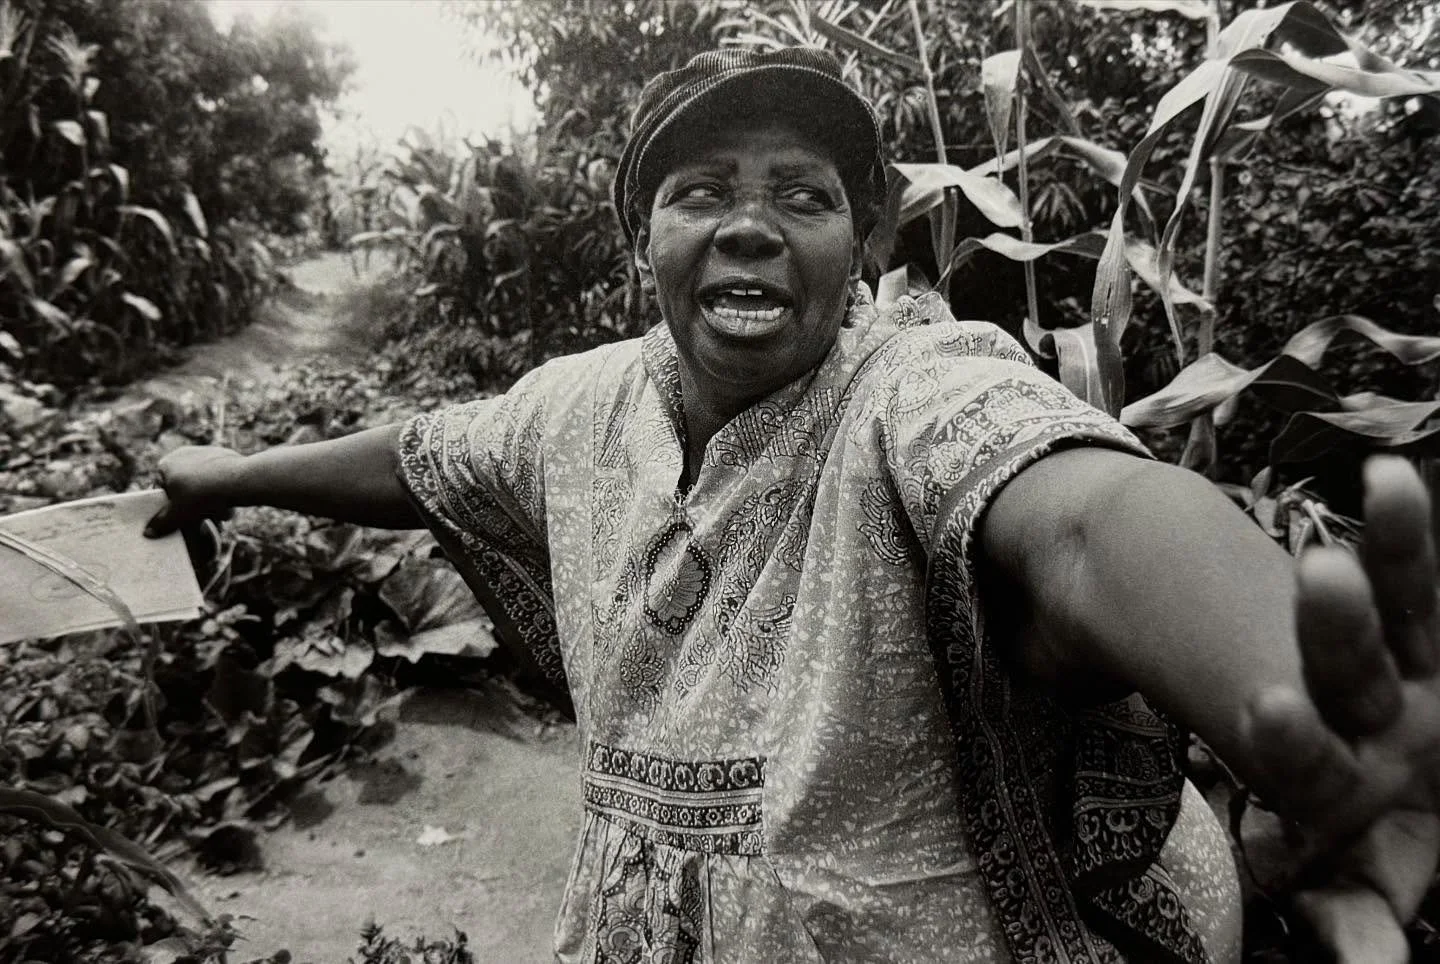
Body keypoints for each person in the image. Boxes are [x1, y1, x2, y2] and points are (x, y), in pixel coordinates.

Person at [148, 47, 1440, 964]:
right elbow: (429, 455)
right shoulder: (585, 404)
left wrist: (1293, 685)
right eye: (703, 191)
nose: (752, 226)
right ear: (642, 238)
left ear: (867, 247)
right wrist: (231, 476)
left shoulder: (914, 394)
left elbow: (1089, 518)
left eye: (804, 196)